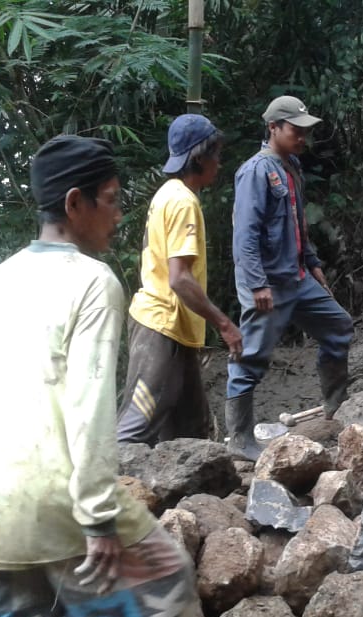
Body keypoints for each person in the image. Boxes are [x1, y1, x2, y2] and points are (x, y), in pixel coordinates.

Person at [0, 135, 199, 617]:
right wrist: (97, 518)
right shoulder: (94, 281)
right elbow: (89, 404)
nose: (118, 216)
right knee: (168, 581)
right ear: (75, 203)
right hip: (67, 501)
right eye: (111, 201)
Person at [226, 95, 354, 460]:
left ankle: (335, 408)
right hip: (268, 283)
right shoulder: (255, 171)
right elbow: (245, 234)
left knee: (338, 326)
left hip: (297, 277)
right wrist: (256, 283)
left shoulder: (292, 166)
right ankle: (239, 439)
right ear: (273, 128)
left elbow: (298, 225)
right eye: (295, 130)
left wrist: (312, 262)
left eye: (304, 131)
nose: (302, 137)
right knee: (250, 358)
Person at [118, 114, 241, 444]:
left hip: (177, 330)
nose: (219, 163)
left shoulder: (167, 194)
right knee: (134, 430)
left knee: (191, 432)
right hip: (162, 326)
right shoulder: (183, 202)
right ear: (199, 158)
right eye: (216, 154)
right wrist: (224, 324)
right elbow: (180, 279)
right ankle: (106, 477)